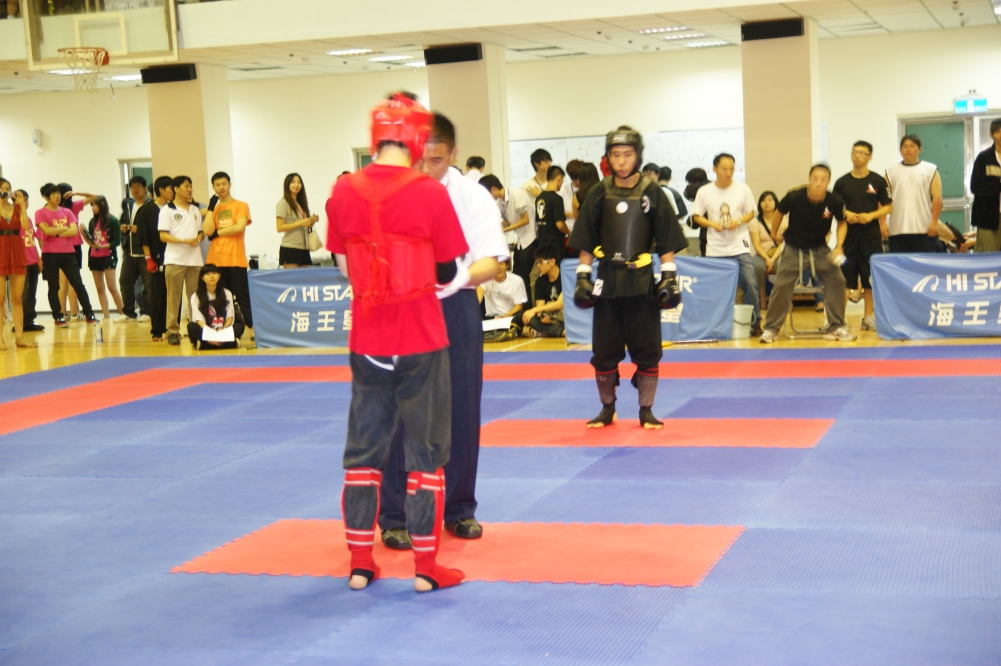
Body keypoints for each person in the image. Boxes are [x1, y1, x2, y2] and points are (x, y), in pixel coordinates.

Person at [325, 92, 468, 592]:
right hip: (421, 336)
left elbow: (344, 267)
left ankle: (360, 564)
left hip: (368, 336)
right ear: (417, 138)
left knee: (363, 451)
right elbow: (448, 272)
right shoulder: (430, 192)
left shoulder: (343, 190)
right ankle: (426, 570)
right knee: (426, 453)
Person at [378, 112, 508, 549]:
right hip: (399, 305)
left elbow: (492, 260)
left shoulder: (473, 196)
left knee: (461, 407)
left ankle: (459, 508)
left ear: (453, 154)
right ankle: (394, 515)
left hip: (455, 303)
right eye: (419, 159)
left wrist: (454, 280)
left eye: (435, 160)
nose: (425, 168)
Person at [569, 126, 686, 430]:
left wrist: (669, 276)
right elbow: (586, 238)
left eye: (628, 155)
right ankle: (607, 408)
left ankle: (646, 410)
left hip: (641, 281)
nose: (621, 161)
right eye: (616, 155)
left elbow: (666, 237)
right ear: (608, 158)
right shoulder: (599, 192)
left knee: (648, 349)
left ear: (638, 156)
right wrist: (583, 276)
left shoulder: (652, 191)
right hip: (607, 279)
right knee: (604, 350)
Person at [761, 165, 855, 344]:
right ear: (809, 179)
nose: (818, 183)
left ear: (828, 181)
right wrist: (774, 233)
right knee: (781, 285)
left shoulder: (834, 200)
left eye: (823, 179)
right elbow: (779, 212)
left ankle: (836, 326)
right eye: (815, 178)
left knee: (838, 279)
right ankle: (771, 329)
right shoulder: (795, 196)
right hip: (793, 249)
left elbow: (842, 223)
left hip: (820, 250)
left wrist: (839, 246)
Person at [692, 153, 761, 335]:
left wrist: (738, 222)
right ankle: (715, 324)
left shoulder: (743, 189)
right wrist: (712, 224)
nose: (728, 173)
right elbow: (697, 216)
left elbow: (751, 213)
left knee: (750, 283)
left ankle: (754, 322)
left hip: (739, 246)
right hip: (715, 249)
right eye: (724, 169)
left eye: (731, 169)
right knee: (714, 289)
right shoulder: (704, 191)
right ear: (714, 169)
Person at [834, 141, 893, 331]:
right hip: (847, 239)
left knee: (869, 281)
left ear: (870, 157)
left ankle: (868, 318)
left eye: (862, 152)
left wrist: (871, 216)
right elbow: (835, 207)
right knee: (844, 280)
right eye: (855, 152)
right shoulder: (842, 183)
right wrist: (846, 213)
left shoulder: (877, 181)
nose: (857, 155)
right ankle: (839, 321)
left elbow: (889, 207)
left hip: (871, 238)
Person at [36, 183, 98, 327]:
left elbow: (74, 231)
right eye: (53, 194)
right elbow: (46, 231)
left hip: (68, 252)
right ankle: (58, 317)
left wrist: (55, 231)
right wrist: (64, 229)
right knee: (54, 286)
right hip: (50, 253)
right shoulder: (40, 213)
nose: (57, 196)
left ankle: (89, 314)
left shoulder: (67, 212)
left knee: (78, 283)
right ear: (45, 197)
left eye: (58, 193)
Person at [203, 172, 253, 335]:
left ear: (230, 185)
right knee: (220, 298)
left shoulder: (241, 205)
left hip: (235, 258)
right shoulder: (214, 209)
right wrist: (210, 209)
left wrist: (218, 232)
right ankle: (222, 330)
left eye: (224, 184)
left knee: (243, 296)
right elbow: (208, 231)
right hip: (216, 259)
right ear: (213, 187)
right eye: (217, 185)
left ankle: (254, 329)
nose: (221, 187)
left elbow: (239, 227)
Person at [159, 175, 204, 346]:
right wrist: (184, 241)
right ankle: (172, 331)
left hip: (195, 260)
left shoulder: (195, 210)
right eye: (186, 186)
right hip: (174, 259)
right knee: (173, 297)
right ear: (176, 189)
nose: (190, 189)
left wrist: (197, 239)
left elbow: (201, 232)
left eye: (191, 186)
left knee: (195, 297)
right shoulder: (167, 210)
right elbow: (163, 236)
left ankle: (195, 329)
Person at [884, 134, 941, 253]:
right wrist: (883, 223)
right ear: (900, 150)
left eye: (912, 146)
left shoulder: (931, 170)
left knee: (925, 265)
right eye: (905, 146)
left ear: (920, 149)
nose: (908, 149)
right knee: (899, 264)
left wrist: (934, 222)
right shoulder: (890, 172)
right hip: (897, 230)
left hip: (924, 230)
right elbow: (883, 199)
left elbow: (937, 198)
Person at [0, 178, 36, 350]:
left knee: (16, 298)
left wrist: (22, 206)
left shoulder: (16, 208)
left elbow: (26, 226)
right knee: (0, 298)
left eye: (8, 188)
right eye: (2, 188)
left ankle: (20, 337)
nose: (5, 191)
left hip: (16, 249)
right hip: (1, 249)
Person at [82, 196, 127, 321]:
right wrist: (84, 234)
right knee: (100, 288)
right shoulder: (92, 221)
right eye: (91, 205)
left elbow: (116, 241)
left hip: (108, 256)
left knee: (112, 286)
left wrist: (102, 246)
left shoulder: (113, 220)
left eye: (94, 205)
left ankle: (123, 312)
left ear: (102, 204)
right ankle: (106, 315)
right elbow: (91, 242)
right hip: (94, 257)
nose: (92, 207)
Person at [514, 149, 553, 291]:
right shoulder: (527, 186)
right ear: (536, 163)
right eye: (545, 160)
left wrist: (541, 195)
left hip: (549, 232)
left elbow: (555, 206)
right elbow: (527, 212)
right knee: (529, 272)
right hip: (533, 234)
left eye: (549, 160)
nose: (548, 163)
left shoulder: (553, 183)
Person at [140, 176, 173, 342]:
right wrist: (148, 259)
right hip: (157, 256)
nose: (173, 192)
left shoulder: (174, 208)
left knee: (173, 294)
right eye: (171, 189)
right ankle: (157, 330)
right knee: (158, 294)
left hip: (174, 255)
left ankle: (172, 328)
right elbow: (144, 236)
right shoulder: (147, 210)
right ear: (161, 189)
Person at [119, 176, 155, 322]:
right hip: (129, 252)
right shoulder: (129, 206)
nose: (135, 190)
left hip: (145, 252)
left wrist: (138, 229)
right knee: (124, 282)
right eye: (132, 187)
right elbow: (123, 222)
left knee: (148, 285)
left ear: (145, 188)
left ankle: (148, 312)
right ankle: (128, 312)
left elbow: (154, 228)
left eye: (138, 186)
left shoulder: (151, 207)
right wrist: (123, 228)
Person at [187, 264, 243, 350]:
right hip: (207, 330)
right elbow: (198, 319)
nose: (212, 276)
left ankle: (205, 344)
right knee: (191, 326)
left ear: (219, 276)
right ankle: (228, 343)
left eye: (214, 273)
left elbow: (230, 316)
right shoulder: (196, 296)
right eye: (208, 274)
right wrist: (210, 332)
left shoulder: (227, 293)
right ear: (202, 278)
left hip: (223, 330)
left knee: (240, 326)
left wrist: (223, 329)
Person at [276, 173, 320, 268]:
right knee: (292, 278)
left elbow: (302, 224)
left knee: (304, 277)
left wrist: (310, 221)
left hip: (304, 247)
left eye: (299, 182)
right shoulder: (283, 203)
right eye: (293, 182)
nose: (296, 185)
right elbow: (279, 227)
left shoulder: (300, 203)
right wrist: (301, 222)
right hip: (290, 247)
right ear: (287, 185)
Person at [14, 190, 43, 333]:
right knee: (23, 294)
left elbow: (32, 241)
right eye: (21, 200)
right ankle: (20, 322)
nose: (24, 203)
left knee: (31, 293)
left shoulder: (29, 219)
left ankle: (29, 320)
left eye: (26, 200)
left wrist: (39, 258)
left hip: (33, 261)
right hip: (21, 262)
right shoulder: (13, 219)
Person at [971, 119, 1001, 253]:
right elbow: (976, 186)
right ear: (991, 134)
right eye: (998, 132)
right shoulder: (983, 158)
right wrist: (999, 186)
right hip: (988, 217)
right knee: (988, 255)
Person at [522, 245, 565, 338]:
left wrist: (534, 310)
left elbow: (559, 304)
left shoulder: (565, 277)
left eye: (541, 262)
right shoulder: (540, 281)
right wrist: (542, 316)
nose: (538, 266)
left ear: (552, 261)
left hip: (565, 315)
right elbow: (540, 307)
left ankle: (551, 331)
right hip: (551, 316)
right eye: (537, 262)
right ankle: (561, 331)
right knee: (529, 318)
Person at [479, 258, 527, 340]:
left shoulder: (517, 280)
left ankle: (505, 331)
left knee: (521, 315)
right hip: (491, 317)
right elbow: (477, 300)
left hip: (510, 316)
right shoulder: (485, 279)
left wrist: (503, 317)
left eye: (501, 263)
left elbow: (519, 306)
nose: (498, 267)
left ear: (507, 266)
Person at [749, 191, 781, 305]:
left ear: (775, 203)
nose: (766, 203)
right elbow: (757, 245)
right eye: (763, 200)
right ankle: (755, 301)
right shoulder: (754, 222)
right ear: (759, 204)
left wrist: (773, 259)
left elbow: (783, 243)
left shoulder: (783, 220)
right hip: (761, 253)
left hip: (778, 253)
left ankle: (781, 299)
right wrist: (767, 258)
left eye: (770, 200)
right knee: (757, 267)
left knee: (782, 266)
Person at [535, 165, 570, 257]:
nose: (561, 183)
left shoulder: (539, 198)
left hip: (542, 244)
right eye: (562, 180)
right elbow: (560, 225)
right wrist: (569, 232)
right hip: (554, 246)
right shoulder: (556, 199)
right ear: (559, 178)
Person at [683, 168, 710, 256]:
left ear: (697, 182)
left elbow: (687, 191)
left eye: (690, 184)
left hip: (707, 236)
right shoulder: (716, 187)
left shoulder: (699, 189)